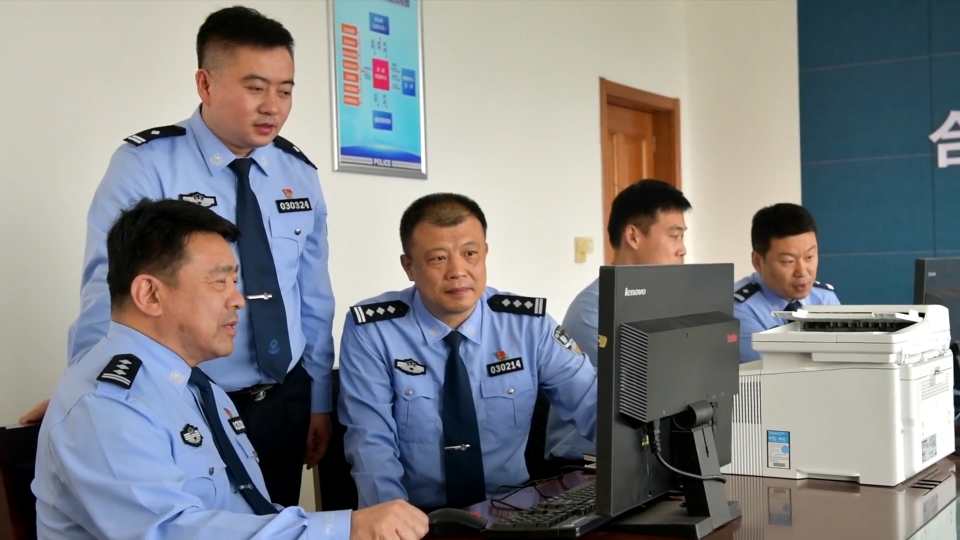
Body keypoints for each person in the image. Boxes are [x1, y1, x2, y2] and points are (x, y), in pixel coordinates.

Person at [20, 6, 335, 506]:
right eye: (255, 88)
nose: (272, 106)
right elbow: (109, 292)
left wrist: (319, 400)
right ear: (205, 84)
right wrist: (89, 392)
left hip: (284, 399)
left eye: (285, 90)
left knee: (276, 525)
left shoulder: (299, 172)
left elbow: (313, 295)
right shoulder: (146, 165)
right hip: (187, 397)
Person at [32, 199, 428, 539]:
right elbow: (167, 532)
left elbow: (246, 512)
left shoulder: (197, 386)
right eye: (220, 282)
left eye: (235, 282)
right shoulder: (106, 407)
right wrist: (343, 528)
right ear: (150, 294)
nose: (239, 300)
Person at [336, 193, 598, 511]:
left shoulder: (529, 325)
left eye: (470, 254)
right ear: (409, 266)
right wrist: (393, 520)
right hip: (416, 516)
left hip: (510, 512)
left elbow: (592, 404)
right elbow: (371, 442)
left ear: (485, 253)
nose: (458, 271)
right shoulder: (373, 330)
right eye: (438, 258)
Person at [544, 179, 691, 464]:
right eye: (675, 236)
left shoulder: (665, 303)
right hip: (583, 466)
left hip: (648, 456)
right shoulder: (594, 311)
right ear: (633, 237)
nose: (682, 249)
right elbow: (635, 398)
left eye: (683, 237)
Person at [734, 203, 840, 363]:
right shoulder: (739, 309)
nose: (802, 272)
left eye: (809, 257)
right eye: (788, 261)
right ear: (758, 261)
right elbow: (772, 369)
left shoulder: (824, 298)